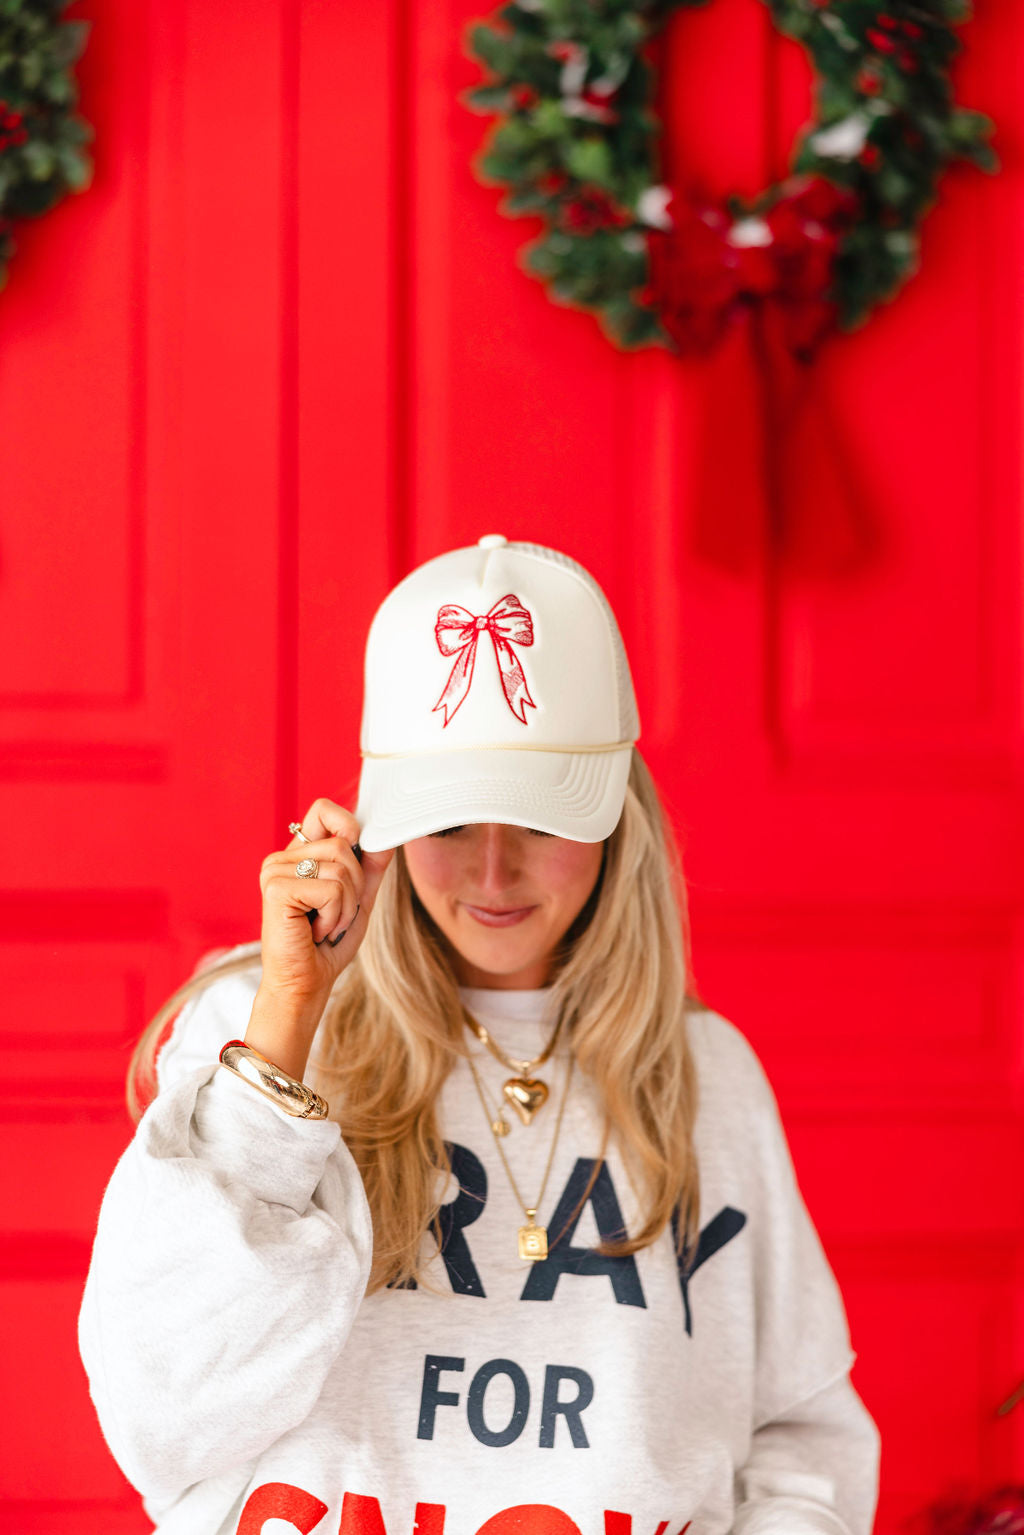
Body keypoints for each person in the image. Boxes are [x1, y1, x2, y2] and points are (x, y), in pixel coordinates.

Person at [79, 534, 881, 1535]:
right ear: (376, 825)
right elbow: (164, 1414)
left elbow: (799, 1435)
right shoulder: (259, 1033)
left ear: (615, 819)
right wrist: (288, 1015)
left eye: (540, 822)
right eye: (451, 822)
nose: (492, 874)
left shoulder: (705, 1076)